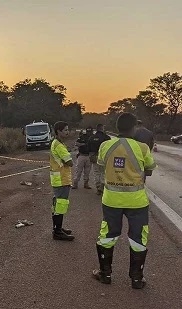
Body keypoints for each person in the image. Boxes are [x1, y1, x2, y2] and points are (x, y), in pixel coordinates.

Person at [92, 112, 156, 289]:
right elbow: (150, 168)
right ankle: (136, 279)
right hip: (137, 202)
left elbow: (101, 164)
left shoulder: (105, 145)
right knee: (138, 237)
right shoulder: (142, 148)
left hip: (111, 199)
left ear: (117, 128)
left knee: (107, 236)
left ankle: (105, 274)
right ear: (134, 128)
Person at [49, 121, 75, 241]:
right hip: (61, 179)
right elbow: (69, 162)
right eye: (65, 130)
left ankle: (57, 228)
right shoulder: (59, 145)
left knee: (58, 204)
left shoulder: (56, 143)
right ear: (58, 131)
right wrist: (69, 158)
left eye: (67, 129)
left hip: (58, 178)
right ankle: (58, 231)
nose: (67, 132)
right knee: (60, 205)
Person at [87, 124, 111, 195]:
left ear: (96, 129)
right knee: (104, 172)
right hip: (104, 157)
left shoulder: (91, 137)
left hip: (94, 156)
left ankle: (98, 187)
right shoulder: (107, 138)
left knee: (96, 172)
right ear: (102, 128)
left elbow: (88, 148)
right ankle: (103, 185)